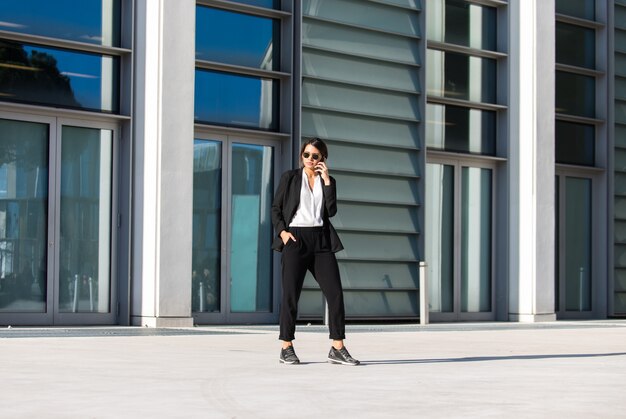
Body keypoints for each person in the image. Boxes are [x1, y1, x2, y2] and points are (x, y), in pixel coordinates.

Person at [271, 137, 359, 366]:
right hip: (295, 238)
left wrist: (327, 180)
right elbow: (276, 208)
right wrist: (282, 233)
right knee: (291, 294)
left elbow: (331, 211)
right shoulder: (290, 178)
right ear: (302, 156)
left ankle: (337, 347)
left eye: (315, 156)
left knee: (335, 294)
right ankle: (286, 347)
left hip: (321, 240)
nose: (310, 159)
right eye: (307, 155)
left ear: (322, 158)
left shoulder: (328, 181)